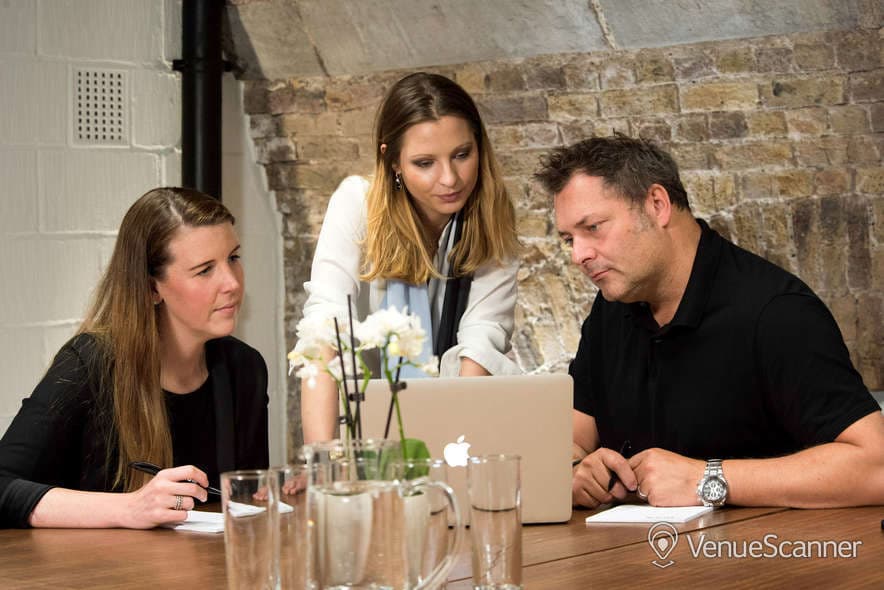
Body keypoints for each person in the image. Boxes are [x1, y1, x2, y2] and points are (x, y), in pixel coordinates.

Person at [534, 134, 884, 509]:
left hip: (766, 558)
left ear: (657, 204)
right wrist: (575, 470)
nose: (579, 256)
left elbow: (875, 466)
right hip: (635, 559)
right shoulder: (610, 309)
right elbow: (572, 438)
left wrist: (707, 479)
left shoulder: (776, 312)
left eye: (594, 228)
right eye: (570, 239)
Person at [0, 188, 269, 529]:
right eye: (204, 270)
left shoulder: (245, 369)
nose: (232, 282)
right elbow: (3, 485)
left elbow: (245, 502)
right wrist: (130, 509)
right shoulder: (89, 363)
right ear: (151, 288)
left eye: (233, 258)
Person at [300, 72, 521, 442]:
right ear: (393, 162)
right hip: (363, 431)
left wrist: (449, 452)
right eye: (424, 163)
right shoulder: (358, 205)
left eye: (462, 155)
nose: (450, 178)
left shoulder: (492, 218)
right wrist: (320, 462)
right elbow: (327, 328)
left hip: (456, 420)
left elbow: (481, 343)